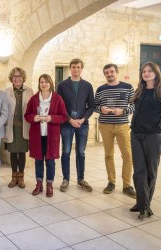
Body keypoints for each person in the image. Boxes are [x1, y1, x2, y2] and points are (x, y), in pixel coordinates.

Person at [130, 61, 161, 219]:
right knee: (139, 171)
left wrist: (159, 134)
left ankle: (144, 206)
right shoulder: (139, 91)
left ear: (156, 73)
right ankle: (142, 203)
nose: (146, 73)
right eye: (144, 71)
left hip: (153, 136)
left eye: (149, 71)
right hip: (136, 134)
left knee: (150, 172)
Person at [94, 63, 136, 198]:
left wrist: (123, 111)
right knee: (108, 154)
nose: (109, 74)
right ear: (104, 74)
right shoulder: (100, 89)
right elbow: (94, 106)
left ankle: (127, 185)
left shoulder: (128, 87)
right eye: (106, 72)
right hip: (105, 125)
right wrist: (101, 109)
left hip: (122, 125)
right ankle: (111, 182)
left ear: (116, 72)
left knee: (128, 155)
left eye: (112, 72)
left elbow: (135, 105)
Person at [24, 74, 67, 197]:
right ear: (39, 84)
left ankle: (49, 185)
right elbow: (27, 115)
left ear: (51, 83)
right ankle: (39, 184)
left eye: (46, 82)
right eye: (42, 82)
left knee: (50, 161)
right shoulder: (34, 99)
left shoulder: (57, 99)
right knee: (38, 161)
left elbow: (64, 116)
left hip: (51, 136)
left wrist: (51, 118)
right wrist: (34, 117)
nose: (44, 84)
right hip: (37, 135)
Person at [57, 58, 94, 193]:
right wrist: (69, 119)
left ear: (81, 68)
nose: (76, 69)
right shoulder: (62, 85)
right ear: (70, 68)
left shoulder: (87, 86)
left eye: (78, 67)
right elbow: (59, 106)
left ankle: (81, 180)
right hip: (67, 123)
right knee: (66, 151)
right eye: (73, 67)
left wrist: (83, 119)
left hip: (82, 124)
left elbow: (92, 106)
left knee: (81, 152)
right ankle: (65, 179)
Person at [4, 67, 34, 188]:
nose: (17, 79)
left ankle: (21, 177)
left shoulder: (30, 91)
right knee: (12, 153)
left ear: (23, 78)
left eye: (19, 76)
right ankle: (13, 177)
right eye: (15, 76)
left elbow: (33, 108)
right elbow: (3, 109)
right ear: (12, 78)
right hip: (11, 127)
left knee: (21, 153)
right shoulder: (6, 91)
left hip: (24, 127)